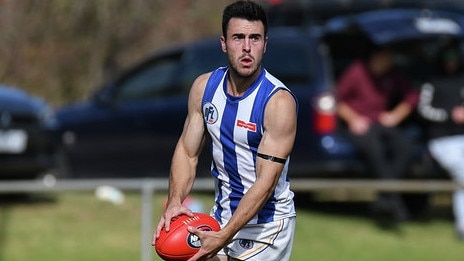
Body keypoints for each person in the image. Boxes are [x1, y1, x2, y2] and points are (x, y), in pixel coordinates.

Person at [153, 1, 298, 260]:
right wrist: (175, 202)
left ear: (265, 44)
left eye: (255, 38)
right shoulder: (204, 89)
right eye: (238, 38)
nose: (246, 47)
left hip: (267, 226)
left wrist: (225, 235)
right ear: (223, 43)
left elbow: (266, 183)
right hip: (220, 217)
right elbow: (187, 152)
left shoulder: (277, 102)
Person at [335, 47, 419, 222]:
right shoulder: (356, 72)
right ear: (374, 58)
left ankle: (385, 198)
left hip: (381, 122)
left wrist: (395, 115)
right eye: (383, 59)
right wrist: (353, 119)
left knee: (405, 146)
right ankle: (395, 204)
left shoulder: (391, 75)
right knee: (375, 149)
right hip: (359, 125)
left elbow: (412, 96)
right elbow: (336, 99)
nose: (386, 63)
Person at [418, 46, 464, 240]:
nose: (451, 63)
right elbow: (423, 109)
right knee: (463, 173)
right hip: (442, 140)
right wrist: (449, 115)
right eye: (448, 59)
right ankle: (462, 226)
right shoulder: (432, 83)